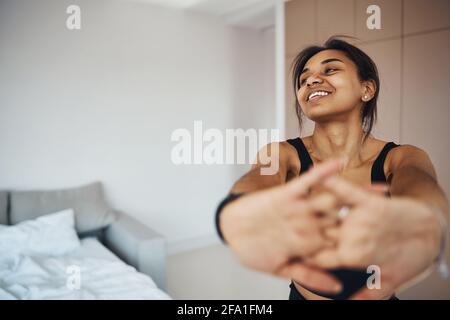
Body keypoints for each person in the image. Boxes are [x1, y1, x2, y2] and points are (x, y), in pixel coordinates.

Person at [215, 36, 449, 300]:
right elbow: (258, 180)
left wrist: (428, 222)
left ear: (367, 89)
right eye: (304, 80)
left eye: (330, 69)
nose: (311, 81)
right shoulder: (280, 153)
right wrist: (237, 211)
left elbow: (421, 188)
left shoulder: (403, 157)